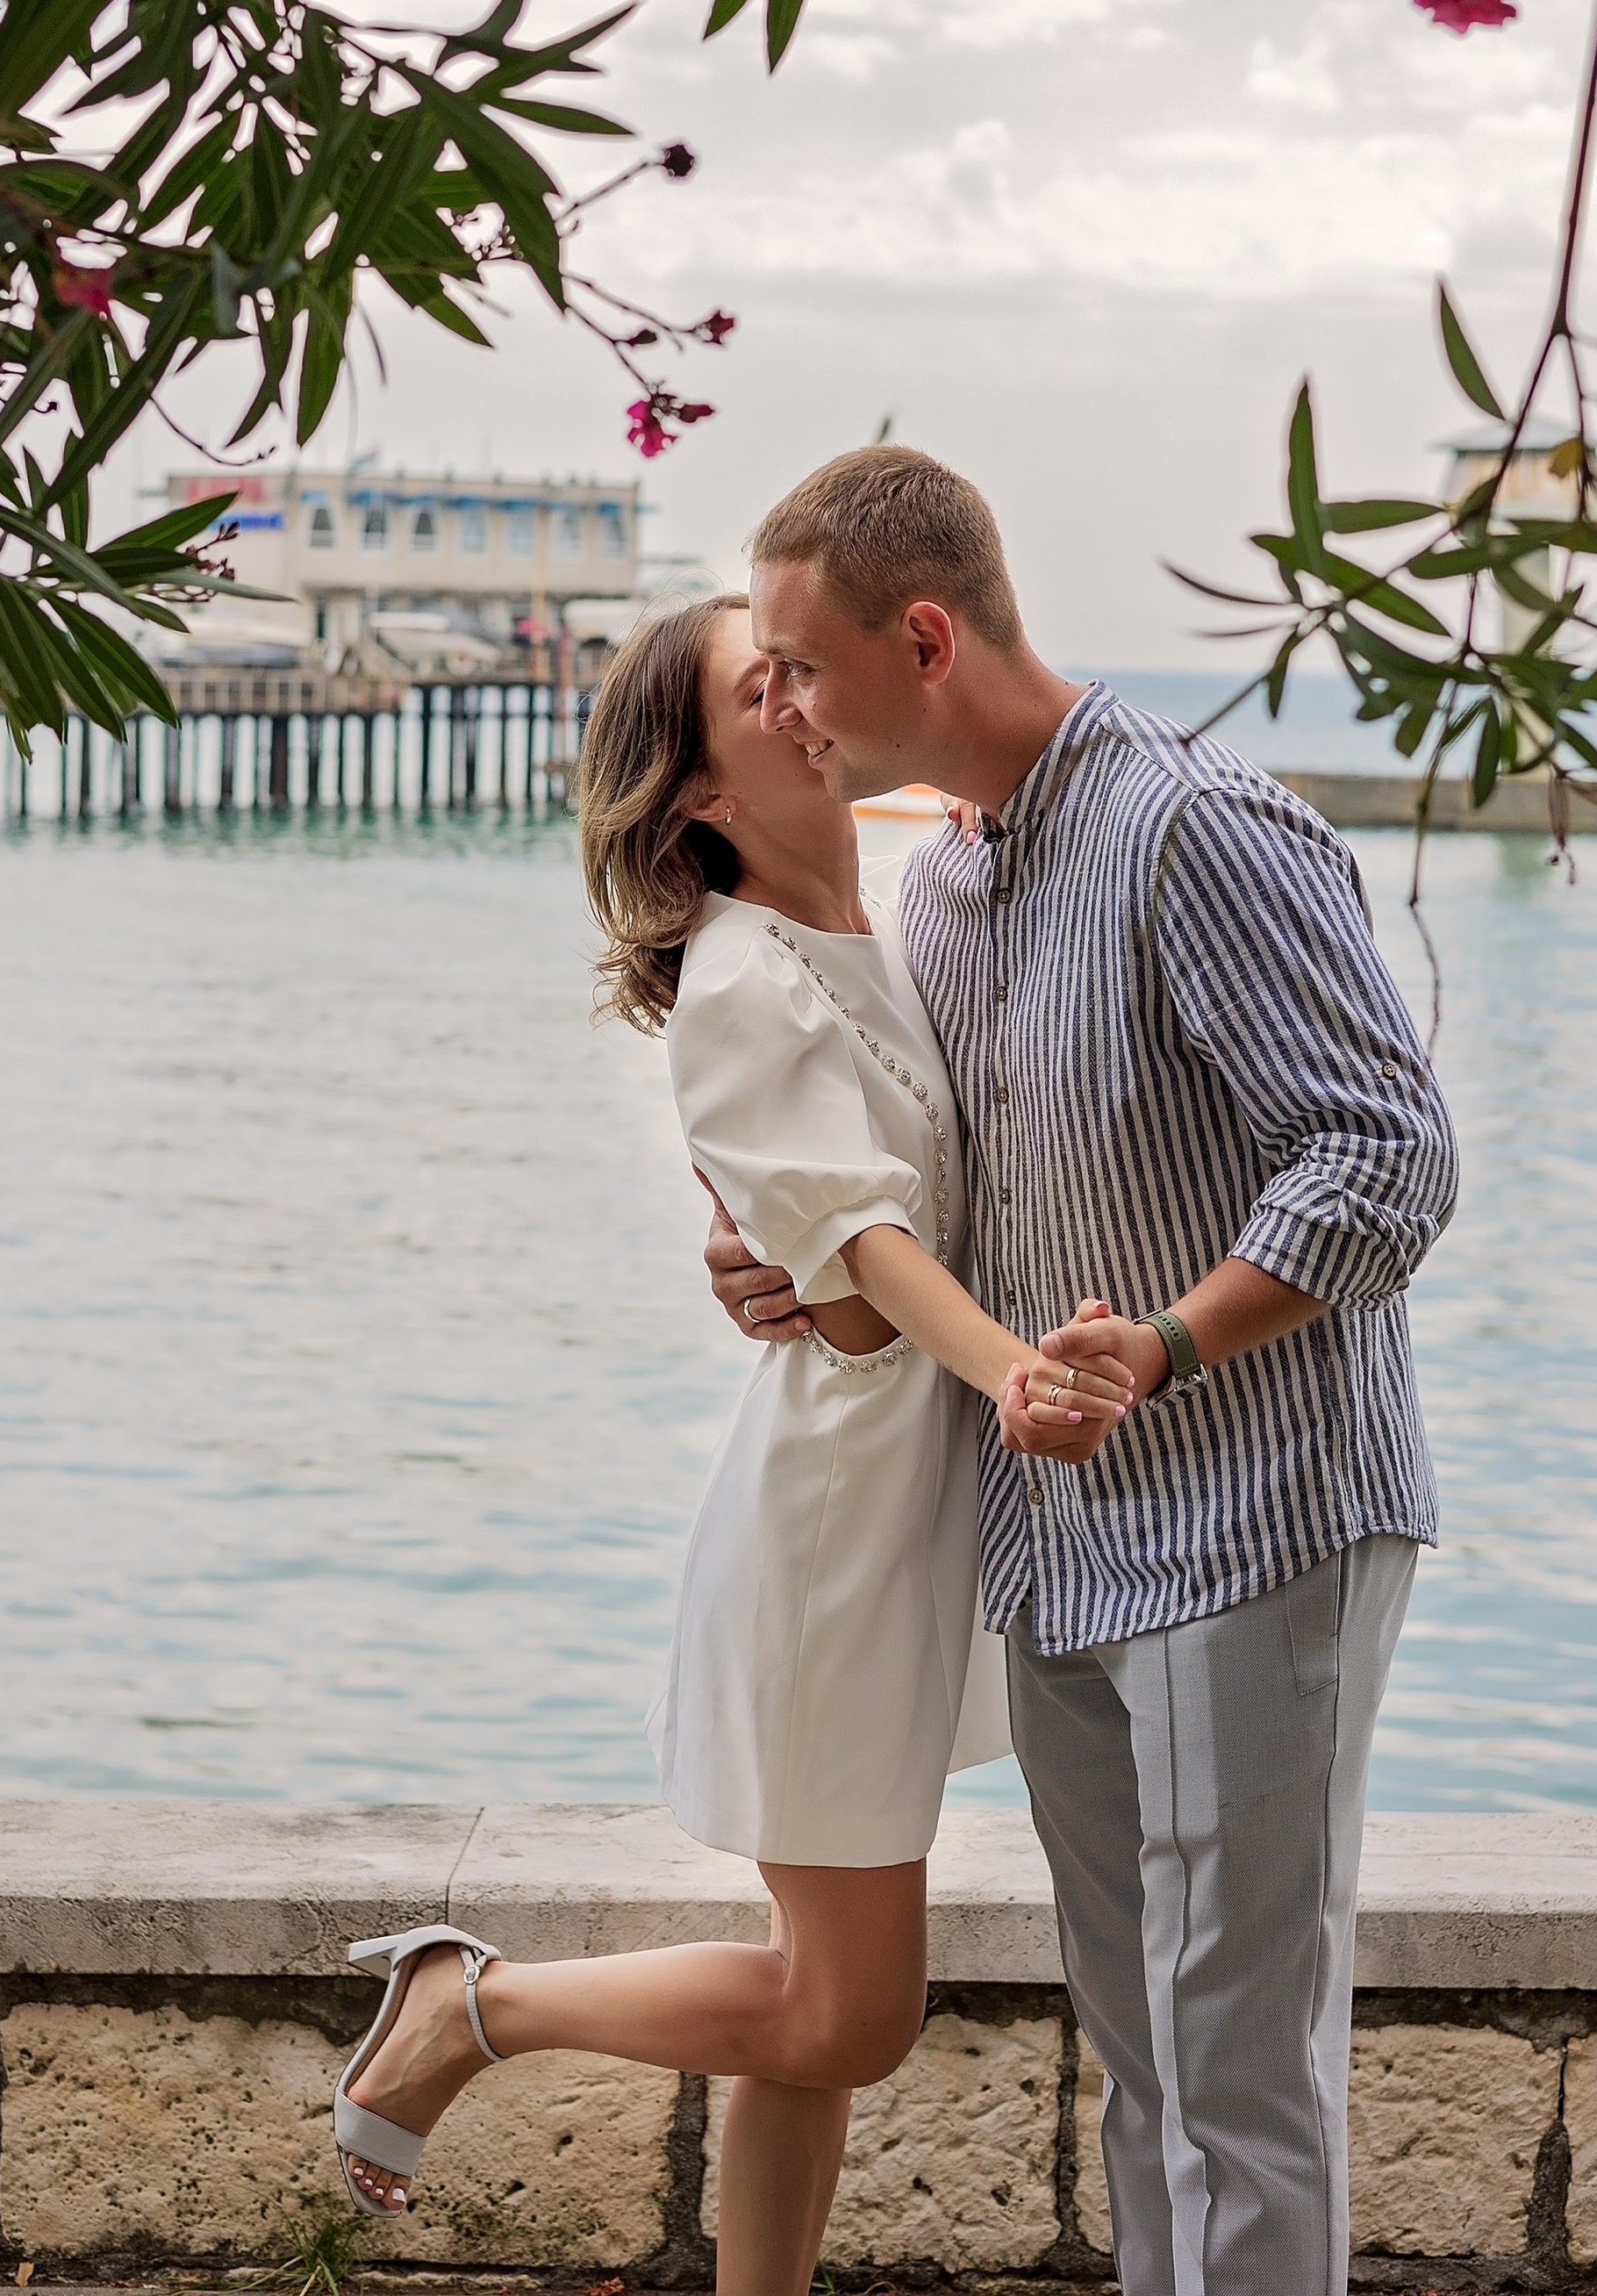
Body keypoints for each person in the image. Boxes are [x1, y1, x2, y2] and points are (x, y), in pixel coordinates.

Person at [701, 447, 1458, 2296]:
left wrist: (1175, 1335)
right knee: (1146, 2072)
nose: (782, 705)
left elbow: (1383, 1153)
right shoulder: (942, 894)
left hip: (1253, 1519)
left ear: (927, 634)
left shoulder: (1193, 830)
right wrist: (803, 1277)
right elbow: (944, 1213)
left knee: (1235, 2078)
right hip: (1046, 1545)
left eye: (799, 665)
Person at [330, 592, 1136, 2271]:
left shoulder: (889, 928)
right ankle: (474, 2003)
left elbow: (850, 1240)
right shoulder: (744, 978)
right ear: (695, 790)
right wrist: (1008, 1370)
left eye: (790, 662)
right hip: (834, 1538)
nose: (795, 689)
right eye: (753, 684)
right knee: (847, 2014)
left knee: (806, 2009)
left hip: (899, 1525)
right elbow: (857, 1274)